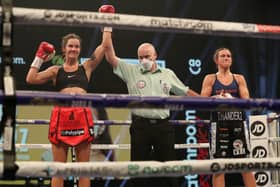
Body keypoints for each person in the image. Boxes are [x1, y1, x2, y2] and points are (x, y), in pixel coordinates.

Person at [101, 6, 199, 187]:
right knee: (138, 173)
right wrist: (107, 25)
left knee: (170, 172)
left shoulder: (167, 73)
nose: (143, 60)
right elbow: (109, 54)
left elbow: (185, 92)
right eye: (140, 57)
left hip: (163, 127)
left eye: (146, 56)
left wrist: (209, 102)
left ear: (155, 56)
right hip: (140, 126)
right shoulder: (131, 71)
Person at [25, 17, 112, 187]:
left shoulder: (86, 67)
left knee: (83, 169)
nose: (73, 49)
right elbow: (31, 79)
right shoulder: (55, 70)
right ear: (64, 49)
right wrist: (39, 57)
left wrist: (107, 21)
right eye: (70, 46)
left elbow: (105, 46)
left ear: (80, 50)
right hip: (62, 117)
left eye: (77, 46)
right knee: (59, 169)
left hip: (82, 116)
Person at [200, 47, 256, 187]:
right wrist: (216, 98)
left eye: (229, 56)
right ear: (216, 60)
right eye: (223, 56)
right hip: (218, 126)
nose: (226, 58)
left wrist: (232, 100)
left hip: (238, 125)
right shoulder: (211, 78)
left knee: (245, 165)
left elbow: (247, 101)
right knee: (219, 168)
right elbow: (201, 101)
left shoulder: (239, 78)